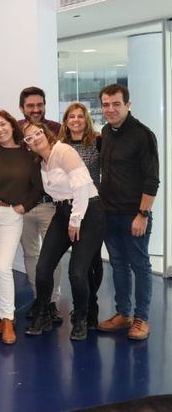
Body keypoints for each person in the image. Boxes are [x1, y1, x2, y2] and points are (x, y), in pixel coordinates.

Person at [22, 122, 105, 341]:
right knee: (43, 268)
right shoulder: (42, 163)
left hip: (88, 211)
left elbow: (80, 188)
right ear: (28, 145)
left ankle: (80, 319)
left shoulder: (63, 151)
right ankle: (42, 314)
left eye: (38, 133)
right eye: (29, 138)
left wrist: (75, 220)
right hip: (62, 211)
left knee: (77, 272)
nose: (35, 138)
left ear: (46, 133)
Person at [96, 84, 159, 341]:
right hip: (109, 212)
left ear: (128, 105)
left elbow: (151, 179)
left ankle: (141, 319)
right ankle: (124, 314)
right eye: (106, 104)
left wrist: (143, 214)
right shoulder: (105, 132)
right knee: (118, 264)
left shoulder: (143, 135)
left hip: (134, 215)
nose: (110, 109)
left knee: (140, 265)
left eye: (116, 104)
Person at [0, 110, 43, 345]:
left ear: (12, 125)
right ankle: (6, 315)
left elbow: (38, 186)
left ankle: (7, 319)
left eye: (2, 124)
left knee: (3, 266)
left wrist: (25, 206)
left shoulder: (28, 154)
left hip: (11, 216)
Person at [18, 87, 63, 322]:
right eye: (30, 106)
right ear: (22, 108)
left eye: (39, 105)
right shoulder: (15, 131)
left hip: (50, 205)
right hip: (23, 207)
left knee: (52, 256)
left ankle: (52, 301)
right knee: (31, 255)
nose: (35, 110)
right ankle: (40, 299)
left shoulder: (57, 129)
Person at [57, 102, 103, 328]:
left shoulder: (98, 142)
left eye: (80, 116)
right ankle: (81, 308)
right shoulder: (60, 146)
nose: (75, 120)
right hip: (70, 210)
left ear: (86, 120)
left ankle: (91, 307)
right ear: (65, 121)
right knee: (78, 264)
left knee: (93, 262)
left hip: (94, 209)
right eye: (71, 117)